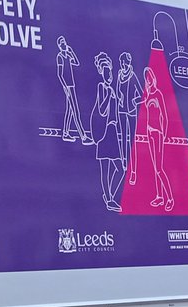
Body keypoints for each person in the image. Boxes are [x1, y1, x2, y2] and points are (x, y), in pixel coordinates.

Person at [93, 53, 124, 212]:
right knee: (105, 167)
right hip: (103, 132)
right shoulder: (102, 87)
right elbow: (101, 109)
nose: (109, 75)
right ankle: (109, 199)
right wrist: (110, 97)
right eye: (105, 72)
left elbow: (117, 116)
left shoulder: (112, 89)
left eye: (110, 72)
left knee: (121, 168)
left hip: (112, 131)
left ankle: (109, 195)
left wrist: (119, 132)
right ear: (101, 72)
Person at [143, 67, 174, 212]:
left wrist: (165, 134)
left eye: (149, 78)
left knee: (159, 168)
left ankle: (170, 198)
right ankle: (159, 196)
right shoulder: (148, 96)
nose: (148, 81)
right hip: (149, 133)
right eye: (146, 79)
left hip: (158, 133)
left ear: (153, 79)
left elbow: (165, 116)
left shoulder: (158, 94)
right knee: (155, 168)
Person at [55, 36, 89, 143]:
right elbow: (59, 74)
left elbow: (77, 63)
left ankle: (65, 133)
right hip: (68, 86)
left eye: (65, 43)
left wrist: (71, 52)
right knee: (75, 111)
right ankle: (83, 136)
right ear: (60, 46)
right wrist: (65, 87)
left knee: (70, 110)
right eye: (62, 44)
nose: (65, 45)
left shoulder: (67, 55)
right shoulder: (60, 57)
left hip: (72, 85)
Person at [116, 52, 141, 185]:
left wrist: (133, 102)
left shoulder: (132, 76)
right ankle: (124, 166)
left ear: (127, 63)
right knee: (122, 141)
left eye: (123, 62)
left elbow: (141, 95)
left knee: (131, 142)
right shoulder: (119, 75)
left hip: (131, 112)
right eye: (121, 62)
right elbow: (117, 90)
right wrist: (119, 99)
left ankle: (133, 171)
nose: (122, 64)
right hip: (121, 111)